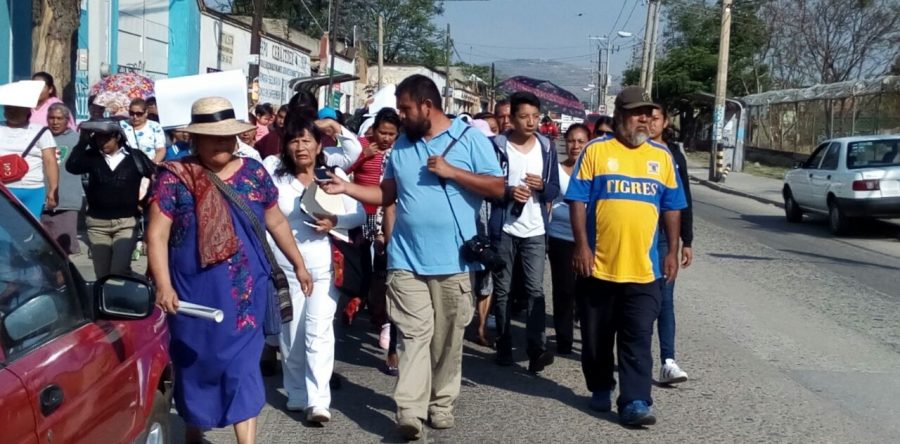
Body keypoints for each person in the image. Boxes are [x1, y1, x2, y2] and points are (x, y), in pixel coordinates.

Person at [320, 74, 504, 440]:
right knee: (412, 336)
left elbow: (498, 187)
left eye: (405, 109)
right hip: (406, 259)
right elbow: (387, 192)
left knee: (447, 341)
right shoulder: (402, 145)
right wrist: (348, 187)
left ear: (426, 105)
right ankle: (410, 410)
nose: (400, 117)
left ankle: (441, 403)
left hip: (454, 262)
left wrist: (452, 172)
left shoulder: (470, 139)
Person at [147, 97, 313, 444]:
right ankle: (194, 429)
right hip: (192, 293)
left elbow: (276, 221)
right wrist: (163, 285)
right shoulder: (173, 177)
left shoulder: (253, 173)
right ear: (195, 139)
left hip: (245, 293)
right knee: (195, 366)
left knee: (242, 368)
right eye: (213, 137)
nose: (223, 143)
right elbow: (157, 234)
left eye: (228, 137)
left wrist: (299, 263)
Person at [566, 86, 687, 426]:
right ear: (620, 115)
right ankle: (601, 386)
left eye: (648, 114)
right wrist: (582, 246)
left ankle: (634, 400)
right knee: (596, 338)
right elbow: (577, 200)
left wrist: (673, 251)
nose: (645, 119)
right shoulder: (596, 151)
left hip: (644, 270)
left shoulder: (662, 157)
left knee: (637, 337)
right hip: (598, 267)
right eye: (637, 114)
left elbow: (673, 207)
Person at [266, 118, 364, 423]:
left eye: (307, 140)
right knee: (292, 331)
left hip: (324, 266)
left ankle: (318, 400)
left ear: (320, 145)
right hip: (285, 267)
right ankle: (295, 391)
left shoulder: (333, 176)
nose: (300, 147)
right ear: (286, 146)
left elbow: (359, 212)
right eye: (294, 141)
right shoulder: (275, 178)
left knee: (319, 331)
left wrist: (335, 221)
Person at [487, 91, 560, 373]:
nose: (531, 122)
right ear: (512, 119)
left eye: (535, 117)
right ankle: (504, 345)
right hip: (504, 227)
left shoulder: (546, 147)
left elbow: (554, 189)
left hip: (536, 228)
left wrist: (542, 186)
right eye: (524, 117)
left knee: (535, 290)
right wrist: (508, 193)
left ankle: (536, 349)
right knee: (503, 290)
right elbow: (486, 187)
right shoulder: (497, 146)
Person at [344, 108, 400, 367]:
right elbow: (343, 172)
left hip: (389, 215)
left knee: (383, 270)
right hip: (361, 213)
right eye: (383, 132)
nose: (387, 138)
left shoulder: (401, 150)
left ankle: (384, 322)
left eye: (392, 133)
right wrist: (361, 157)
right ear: (374, 130)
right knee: (363, 268)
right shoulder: (361, 145)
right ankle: (358, 300)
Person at [65, 119, 152, 277]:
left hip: (126, 223)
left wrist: (144, 203)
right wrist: (82, 141)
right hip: (97, 225)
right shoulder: (91, 157)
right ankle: (108, 300)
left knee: (119, 269)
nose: (102, 142)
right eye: (98, 138)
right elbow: (71, 166)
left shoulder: (135, 157)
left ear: (117, 137)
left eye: (106, 138)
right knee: (103, 274)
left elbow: (154, 177)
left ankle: (147, 284)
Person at [648, 106, 694, 385]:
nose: (650, 123)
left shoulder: (674, 155)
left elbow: (683, 199)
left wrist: (685, 241)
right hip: (637, 236)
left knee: (665, 300)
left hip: (665, 237)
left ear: (665, 122)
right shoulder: (631, 151)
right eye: (647, 118)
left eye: (656, 119)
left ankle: (668, 360)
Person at [546, 123, 590, 355]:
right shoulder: (557, 169)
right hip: (559, 235)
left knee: (586, 290)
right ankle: (564, 338)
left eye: (581, 141)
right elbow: (549, 199)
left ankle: (588, 334)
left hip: (588, 237)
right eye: (572, 141)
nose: (576, 146)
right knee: (563, 289)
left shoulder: (594, 171)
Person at [0, 103, 58, 217]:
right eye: (8, 108)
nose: (12, 112)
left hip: (33, 190)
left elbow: (50, 161)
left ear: (27, 110)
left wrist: (53, 190)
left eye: (17, 108)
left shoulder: (41, 131)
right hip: (3, 190)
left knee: (31, 230)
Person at [41, 103, 83, 255]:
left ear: (67, 120)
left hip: (67, 202)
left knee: (63, 250)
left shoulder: (78, 141)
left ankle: (64, 278)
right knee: (40, 248)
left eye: (59, 118)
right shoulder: (39, 138)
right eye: (51, 118)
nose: (55, 122)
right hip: (41, 201)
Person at [121, 98, 166, 163]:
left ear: (146, 113)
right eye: (131, 113)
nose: (135, 117)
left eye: (139, 114)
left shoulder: (155, 126)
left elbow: (160, 150)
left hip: (149, 165)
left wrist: (152, 166)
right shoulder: (121, 125)